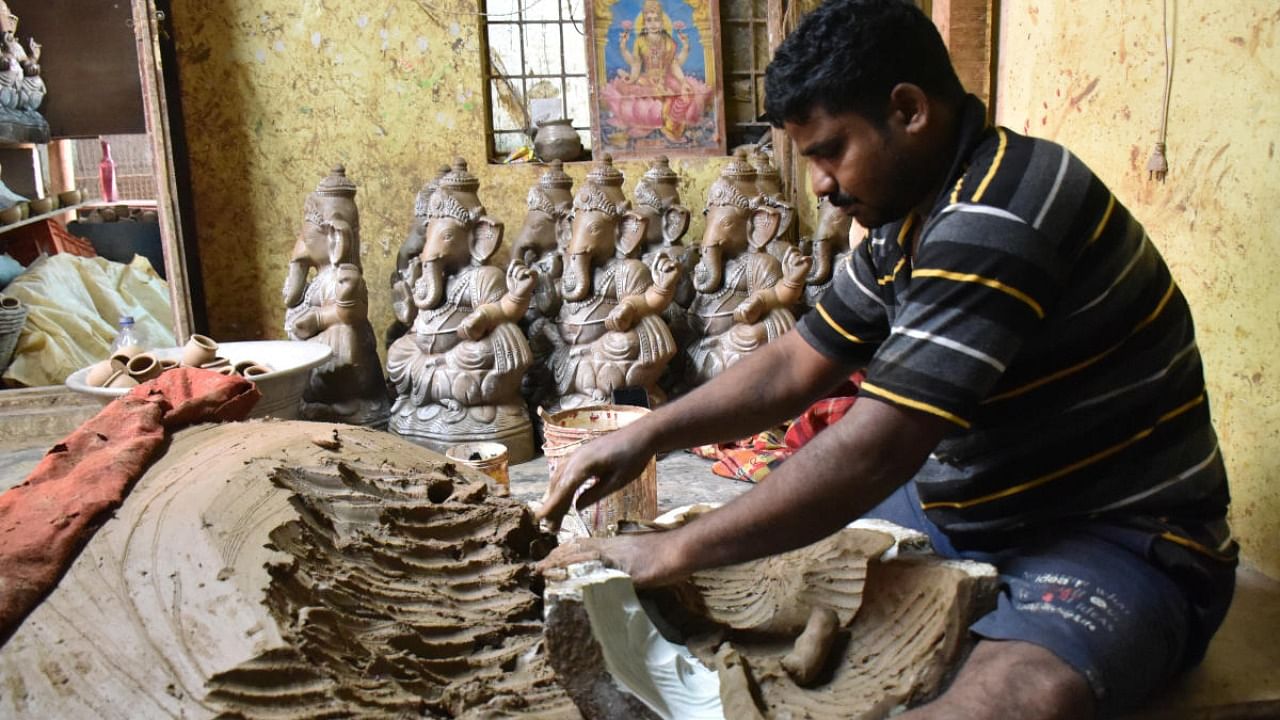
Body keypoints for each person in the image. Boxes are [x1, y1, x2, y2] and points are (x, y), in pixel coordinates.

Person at [535, 0, 1237, 717]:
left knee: (1016, 696)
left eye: (831, 150)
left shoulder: (998, 213)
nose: (820, 185)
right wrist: (643, 436)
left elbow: (877, 448)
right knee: (752, 564)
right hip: (969, 510)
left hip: (1116, 536)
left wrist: (676, 551)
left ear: (908, 110)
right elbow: (796, 364)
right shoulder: (910, 221)